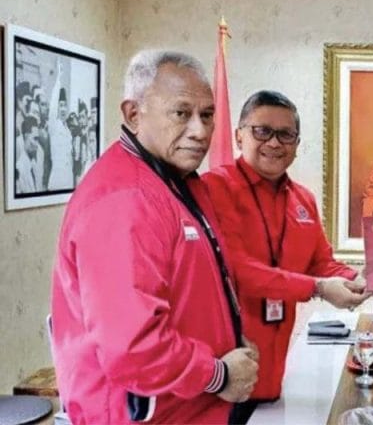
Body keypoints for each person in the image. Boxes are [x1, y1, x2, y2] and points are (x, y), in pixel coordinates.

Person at [51, 50, 259, 424]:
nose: (200, 131)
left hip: (193, 408)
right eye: (181, 113)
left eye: (207, 115)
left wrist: (230, 338)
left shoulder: (176, 181)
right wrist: (219, 374)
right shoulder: (125, 199)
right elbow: (131, 348)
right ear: (133, 114)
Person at [203, 90, 368, 405]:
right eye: (262, 131)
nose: (274, 143)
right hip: (226, 371)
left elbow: (321, 262)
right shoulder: (215, 187)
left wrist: (359, 279)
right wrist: (318, 288)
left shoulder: (303, 198)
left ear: (297, 143)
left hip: (276, 366)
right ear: (239, 136)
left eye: (285, 134)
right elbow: (237, 271)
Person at [47, 64, 74, 190]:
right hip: (57, 180)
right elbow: (52, 106)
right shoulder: (54, 126)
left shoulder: (68, 131)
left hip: (68, 180)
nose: (63, 109)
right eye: (60, 105)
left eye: (65, 105)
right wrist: (59, 78)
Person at [15, 115, 45, 193]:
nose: (37, 144)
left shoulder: (36, 161)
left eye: (38, 139)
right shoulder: (19, 168)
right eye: (35, 139)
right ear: (26, 136)